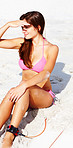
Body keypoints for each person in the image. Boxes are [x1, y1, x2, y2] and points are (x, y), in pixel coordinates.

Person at [0, 11, 59, 147]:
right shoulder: (23, 43)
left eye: (26, 27)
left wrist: (24, 84)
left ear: (38, 27)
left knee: (22, 89)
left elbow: (45, 73)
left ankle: (10, 135)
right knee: (13, 91)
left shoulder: (51, 48)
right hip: (23, 94)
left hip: (42, 95)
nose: (23, 30)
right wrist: (8, 25)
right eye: (22, 27)